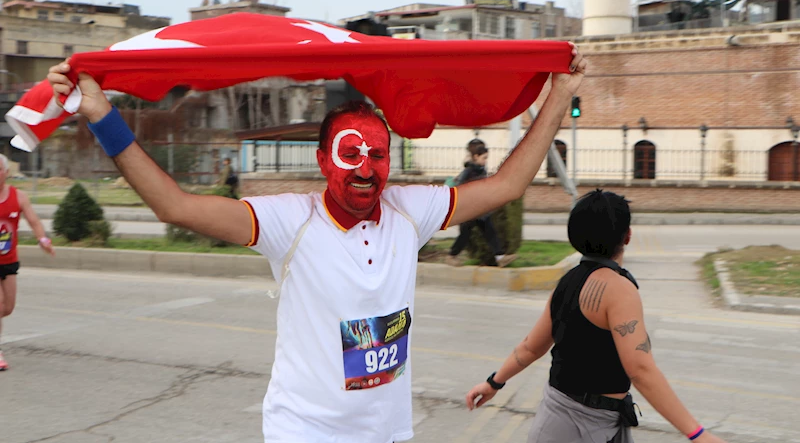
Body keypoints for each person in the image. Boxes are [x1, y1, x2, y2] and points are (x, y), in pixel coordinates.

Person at [46, 43, 586, 443]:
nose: (366, 169)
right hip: (305, 432)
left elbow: (508, 185)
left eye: (377, 155)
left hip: (387, 431)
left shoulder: (409, 211)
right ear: (324, 160)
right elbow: (176, 207)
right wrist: (101, 116)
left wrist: (559, 94)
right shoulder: (290, 221)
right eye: (351, 154)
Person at [465, 189, 728, 443]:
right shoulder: (618, 289)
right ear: (627, 235)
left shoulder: (567, 281)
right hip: (581, 428)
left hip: (560, 419)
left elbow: (531, 347)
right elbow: (640, 369)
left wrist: (493, 383)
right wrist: (697, 434)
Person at [0, 154, 56, 371]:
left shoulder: (19, 196)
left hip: (9, 260)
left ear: (6, 172)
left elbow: (34, 221)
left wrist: (43, 240)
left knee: (8, 308)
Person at [447, 139, 517, 267]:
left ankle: (500, 257)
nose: (486, 161)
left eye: (486, 158)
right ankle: (451, 256)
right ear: (476, 157)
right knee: (465, 234)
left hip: (480, 210)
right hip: (469, 210)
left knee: (490, 232)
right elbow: (460, 188)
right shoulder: (468, 171)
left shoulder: (481, 170)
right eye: (484, 158)